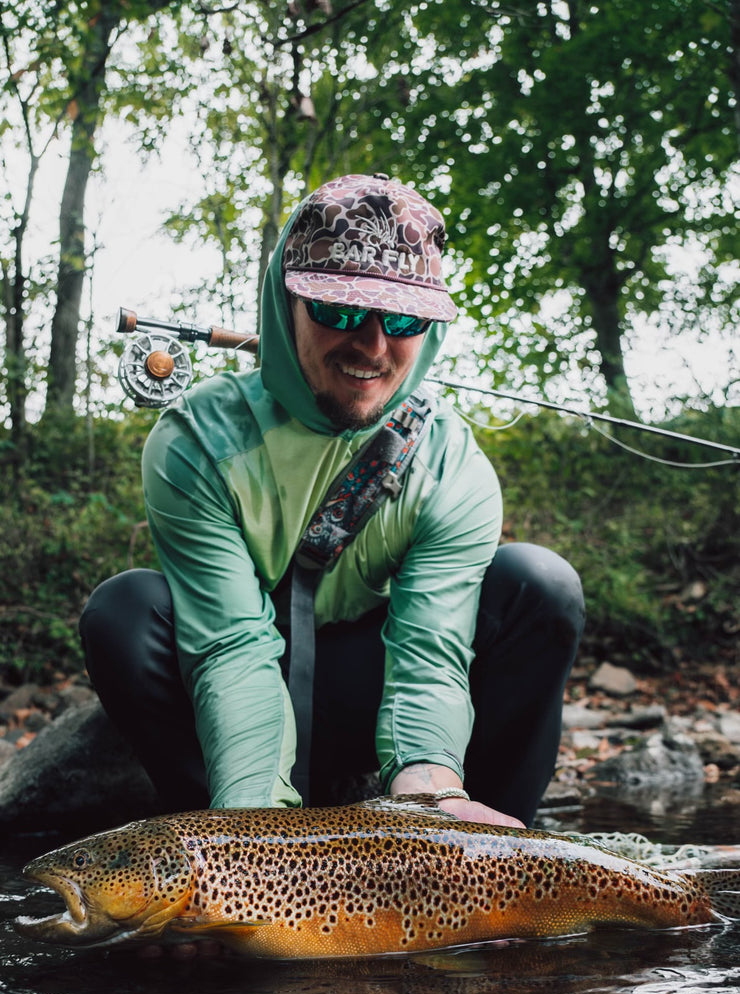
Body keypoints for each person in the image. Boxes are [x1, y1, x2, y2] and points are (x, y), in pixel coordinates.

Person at [80, 173, 584, 829]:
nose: (372, 346)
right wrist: (256, 834)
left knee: (539, 583)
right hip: (229, 698)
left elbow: (430, 653)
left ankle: (492, 855)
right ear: (284, 304)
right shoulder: (196, 443)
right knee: (125, 610)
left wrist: (427, 794)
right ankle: (215, 853)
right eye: (339, 311)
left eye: (403, 318)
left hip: (373, 691)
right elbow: (230, 648)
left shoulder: (450, 463)